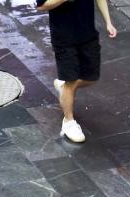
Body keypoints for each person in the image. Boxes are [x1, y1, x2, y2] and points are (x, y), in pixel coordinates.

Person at [36, 0, 117, 143]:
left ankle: (64, 88)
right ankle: (68, 122)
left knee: (91, 77)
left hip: (88, 35)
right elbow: (42, 5)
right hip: (64, 38)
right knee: (70, 80)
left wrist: (108, 22)